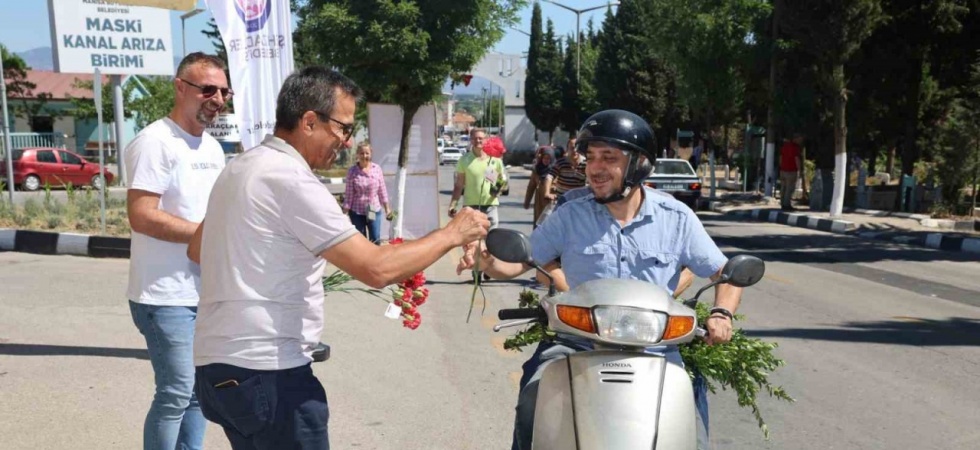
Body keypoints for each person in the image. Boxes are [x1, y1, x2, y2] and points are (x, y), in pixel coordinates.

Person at [187, 67, 489, 450]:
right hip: (269, 372)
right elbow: (376, 269)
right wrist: (451, 234)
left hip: (221, 369)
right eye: (343, 128)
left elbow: (198, 249)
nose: (346, 142)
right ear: (309, 121)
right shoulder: (291, 179)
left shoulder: (240, 167)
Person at [459, 110, 741, 450]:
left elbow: (725, 274)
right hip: (576, 342)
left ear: (639, 165)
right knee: (534, 393)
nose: (595, 167)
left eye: (609, 157)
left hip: (657, 348)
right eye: (591, 157)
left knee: (692, 418)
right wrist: (485, 261)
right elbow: (519, 263)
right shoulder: (569, 215)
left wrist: (721, 314)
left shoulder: (677, 218)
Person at [125, 52, 231, 450]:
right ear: (180, 87)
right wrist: (209, 234)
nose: (217, 98)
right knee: (175, 392)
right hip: (163, 295)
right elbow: (141, 215)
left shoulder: (212, 148)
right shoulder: (155, 141)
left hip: (204, 293)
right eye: (207, 88)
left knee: (198, 394)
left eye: (223, 91)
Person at [342, 142, 391, 244]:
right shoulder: (352, 172)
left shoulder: (376, 169)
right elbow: (349, 194)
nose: (364, 156)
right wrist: (344, 213)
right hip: (357, 211)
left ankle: (376, 259)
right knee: (361, 241)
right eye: (362, 153)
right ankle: (363, 260)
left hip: (373, 209)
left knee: (375, 237)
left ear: (371, 153)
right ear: (357, 155)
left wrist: (387, 209)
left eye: (367, 153)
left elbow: (382, 190)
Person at [542, 137, 586, 203]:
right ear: (567, 149)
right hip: (562, 201)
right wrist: (547, 193)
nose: (575, 150)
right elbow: (549, 177)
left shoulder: (585, 164)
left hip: (578, 202)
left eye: (577, 147)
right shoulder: (561, 162)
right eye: (572, 148)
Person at [524, 146, 556, 227]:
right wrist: (527, 202)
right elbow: (531, 187)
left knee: (550, 225)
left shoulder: (556, 171)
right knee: (538, 225)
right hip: (539, 203)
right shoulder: (537, 170)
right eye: (544, 158)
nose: (546, 160)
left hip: (551, 203)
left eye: (548, 158)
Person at [779, 133, 804, 211]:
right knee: (789, 189)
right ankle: (787, 205)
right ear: (795, 139)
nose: (801, 141)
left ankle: (782, 203)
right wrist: (799, 170)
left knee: (783, 188)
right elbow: (796, 159)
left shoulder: (784, 146)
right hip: (791, 170)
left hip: (783, 170)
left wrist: (781, 167)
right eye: (800, 139)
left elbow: (780, 157)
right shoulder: (795, 147)